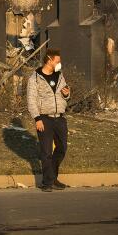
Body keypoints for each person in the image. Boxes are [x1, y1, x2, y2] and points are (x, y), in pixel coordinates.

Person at [26, 48, 70, 192]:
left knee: (62, 149)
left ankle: (53, 178)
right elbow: (31, 100)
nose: (59, 63)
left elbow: (65, 94)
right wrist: (37, 118)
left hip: (60, 118)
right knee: (46, 152)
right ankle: (47, 182)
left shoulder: (59, 75)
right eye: (57, 61)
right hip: (44, 118)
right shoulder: (35, 78)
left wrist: (67, 94)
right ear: (49, 60)